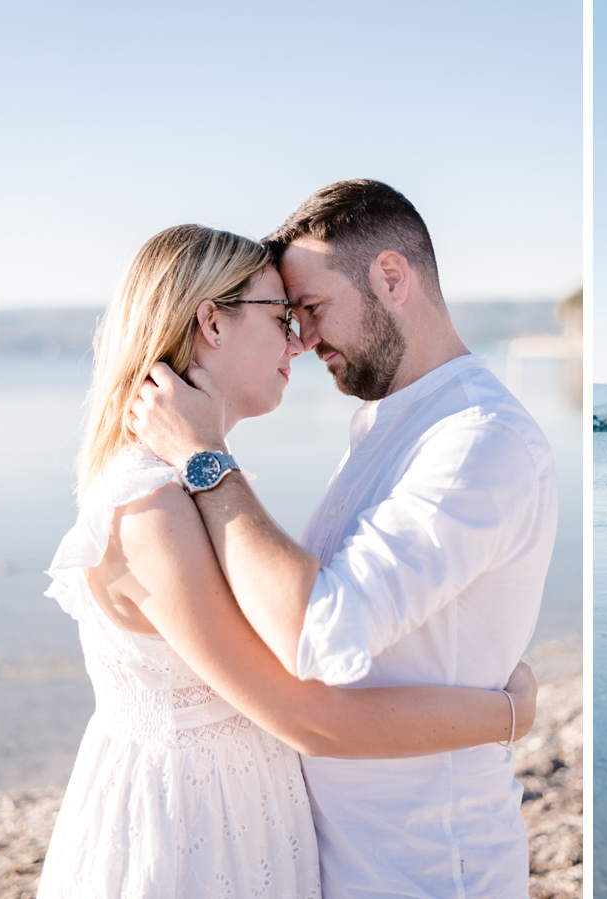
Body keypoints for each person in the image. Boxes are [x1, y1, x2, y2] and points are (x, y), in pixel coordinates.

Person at [39, 224, 536, 899]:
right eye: (282, 317)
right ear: (212, 321)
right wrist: (506, 715)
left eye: (304, 315)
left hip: (242, 826)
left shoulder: (197, 484)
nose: (299, 342)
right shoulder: (150, 506)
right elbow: (307, 716)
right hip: (187, 841)